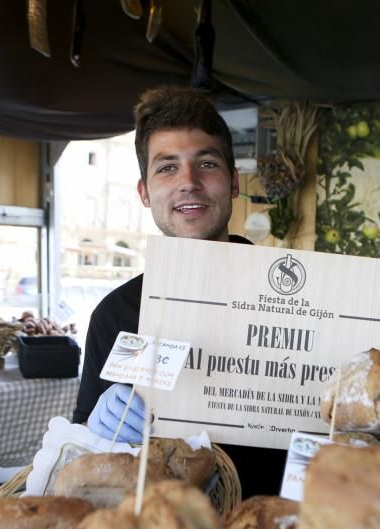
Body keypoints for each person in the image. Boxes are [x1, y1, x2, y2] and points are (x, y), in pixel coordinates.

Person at [72, 86, 288, 497]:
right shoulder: (115, 315)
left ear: (233, 183)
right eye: (167, 168)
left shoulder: (293, 299)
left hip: (278, 528)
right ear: (144, 192)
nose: (188, 182)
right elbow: (86, 445)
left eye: (206, 163)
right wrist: (94, 428)